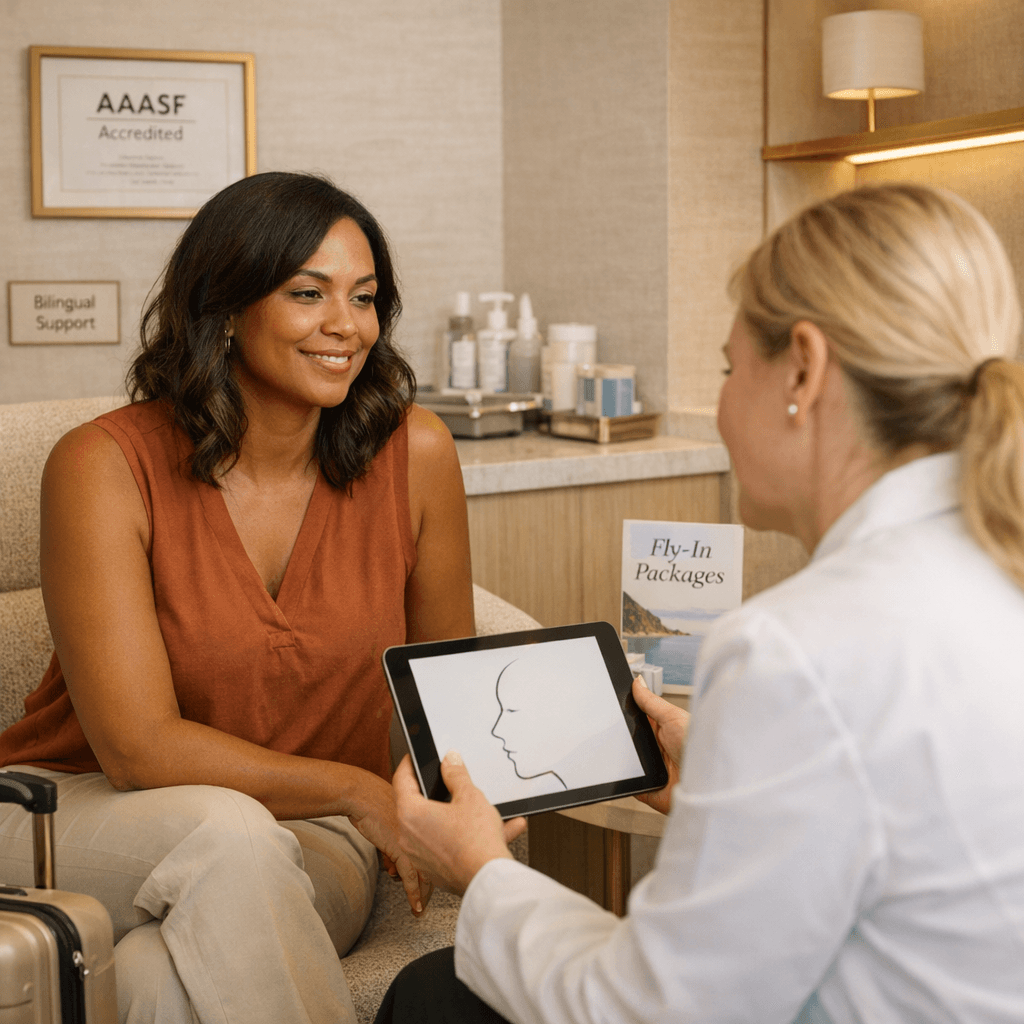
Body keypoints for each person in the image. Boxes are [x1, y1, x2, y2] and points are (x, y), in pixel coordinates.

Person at [377, 183, 1024, 1023]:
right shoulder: (983, 568)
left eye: (727, 368)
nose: (721, 405)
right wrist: (729, 780)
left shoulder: (797, 651)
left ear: (803, 367)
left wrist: (480, 868)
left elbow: (656, 1010)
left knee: (435, 998)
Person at [0, 171, 475, 1024]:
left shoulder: (418, 454)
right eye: (307, 293)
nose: (346, 325)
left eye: (365, 298)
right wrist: (361, 791)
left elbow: (449, 695)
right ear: (225, 308)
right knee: (228, 835)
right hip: (69, 808)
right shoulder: (101, 467)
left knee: (151, 973)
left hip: (312, 835)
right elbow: (138, 751)